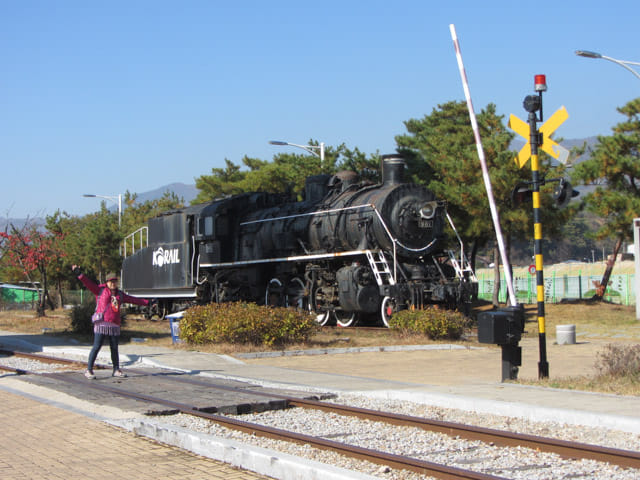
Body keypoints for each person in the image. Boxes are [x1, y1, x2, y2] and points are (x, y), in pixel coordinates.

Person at [72, 265, 150, 379]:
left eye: (115, 281)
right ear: (107, 282)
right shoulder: (100, 290)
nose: (113, 283)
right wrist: (79, 274)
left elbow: (134, 299)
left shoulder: (120, 295)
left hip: (114, 324)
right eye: (111, 281)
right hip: (102, 323)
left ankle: (116, 369)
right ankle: (89, 370)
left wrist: (148, 302)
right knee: (97, 346)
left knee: (114, 348)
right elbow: (88, 283)